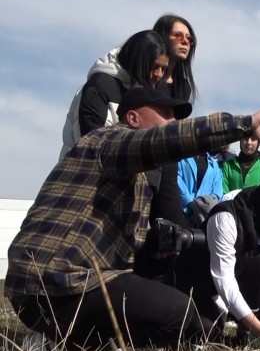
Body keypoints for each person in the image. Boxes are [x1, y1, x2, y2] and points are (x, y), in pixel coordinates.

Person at [4, 87, 260, 351]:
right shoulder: (108, 140)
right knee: (181, 316)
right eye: (165, 114)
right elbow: (168, 140)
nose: (172, 122)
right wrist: (242, 124)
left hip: (72, 283)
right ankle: (66, 342)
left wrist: (152, 246)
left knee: (200, 326)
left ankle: (66, 338)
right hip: (54, 283)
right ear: (133, 117)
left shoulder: (136, 177)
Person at [174, 179, 260, 339]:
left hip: (239, 292)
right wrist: (257, 326)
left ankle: (245, 327)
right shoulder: (225, 218)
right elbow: (224, 279)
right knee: (204, 331)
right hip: (203, 290)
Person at [59, 30, 168, 159]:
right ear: (139, 60)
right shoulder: (99, 86)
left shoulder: (141, 90)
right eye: (155, 66)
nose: (159, 74)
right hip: (85, 174)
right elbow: (93, 144)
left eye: (163, 69)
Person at [152, 14, 198, 103]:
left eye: (189, 38)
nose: (185, 41)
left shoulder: (183, 86)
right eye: (178, 35)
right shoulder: (144, 77)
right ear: (162, 37)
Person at [177, 152, 223, 225]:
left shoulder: (214, 164)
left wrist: (207, 204)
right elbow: (178, 180)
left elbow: (217, 190)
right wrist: (190, 202)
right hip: (184, 212)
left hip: (206, 215)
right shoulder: (181, 160)